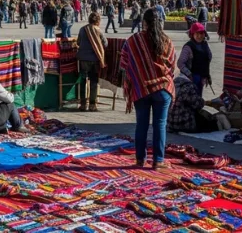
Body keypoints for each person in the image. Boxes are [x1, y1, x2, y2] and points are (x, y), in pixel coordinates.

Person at [120, 9, 176, 169]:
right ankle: (158, 161)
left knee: (141, 124)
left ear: (144, 22)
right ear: (160, 22)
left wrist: (137, 73)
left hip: (141, 87)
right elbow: (172, 64)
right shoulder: (167, 41)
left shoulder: (133, 40)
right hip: (162, 88)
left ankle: (140, 159)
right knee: (160, 124)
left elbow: (124, 62)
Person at [76, 12, 107, 112]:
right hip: (94, 60)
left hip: (83, 59)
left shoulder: (82, 29)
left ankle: (83, 104)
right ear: (97, 21)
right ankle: (92, 105)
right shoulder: (98, 30)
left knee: (83, 81)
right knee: (93, 82)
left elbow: (78, 42)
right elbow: (105, 43)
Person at [177, 22, 212, 98]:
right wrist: (189, 74)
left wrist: (206, 74)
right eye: (197, 34)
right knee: (192, 99)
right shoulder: (188, 47)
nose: (199, 36)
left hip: (202, 77)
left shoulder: (204, 45)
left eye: (201, 33)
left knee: (199, 98)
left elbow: (209, 57)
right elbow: (180, 63)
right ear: (192, 34)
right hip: (191, 78)